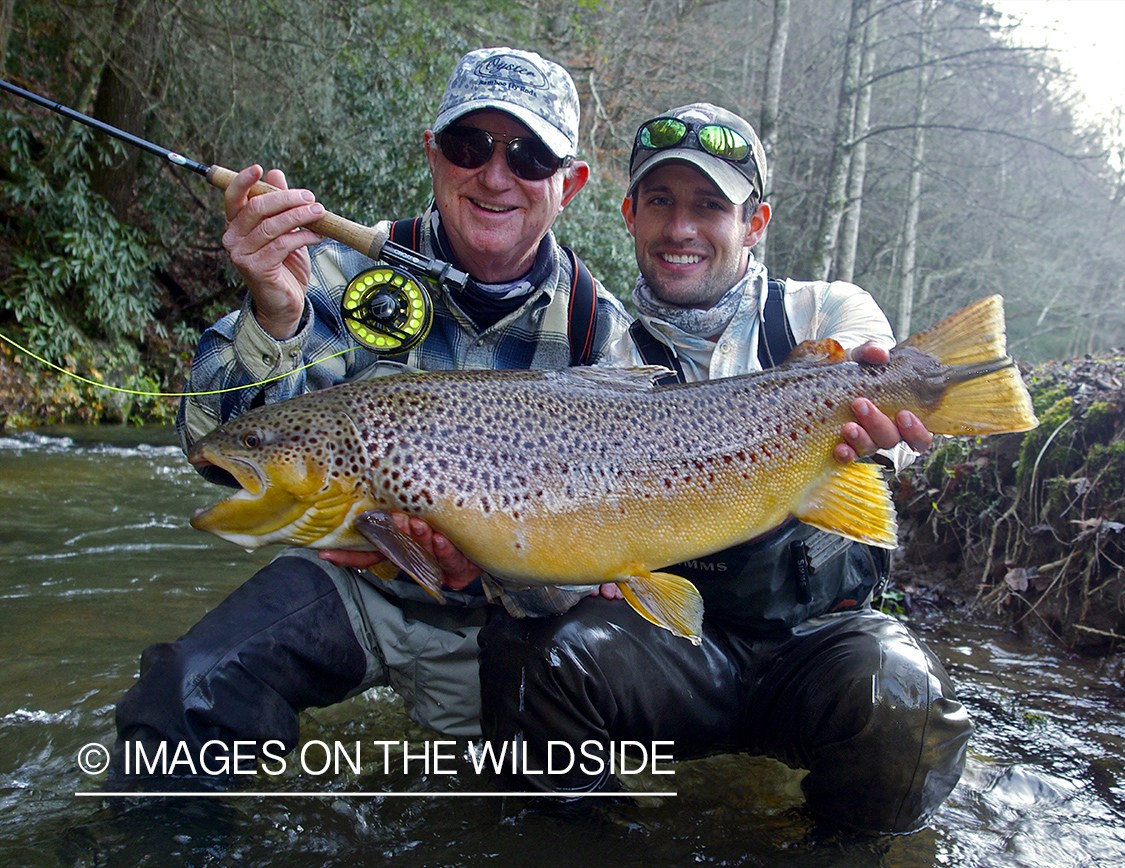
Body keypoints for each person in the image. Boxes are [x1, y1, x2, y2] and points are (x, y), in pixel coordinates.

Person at [108, 47, 634, 783]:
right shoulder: (332, 272)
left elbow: (620, 539)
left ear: (568, 184)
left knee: (569, 798)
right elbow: (210, 452)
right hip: (353, 588)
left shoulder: (597, 331)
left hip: (512, 625)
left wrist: (480, 562)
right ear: (432, 153)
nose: (493, 174)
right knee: (178, 706)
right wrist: (275, 316)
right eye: (468, 144)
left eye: (530, 156)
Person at [476, 103, 973, 834]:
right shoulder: (599, 359)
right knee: (531, 661)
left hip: (816, 646)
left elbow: (890, 419)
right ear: (630, 214)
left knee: (904, 700)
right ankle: (592, 843)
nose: (680, 228)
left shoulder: (824, 312)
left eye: (709, 206)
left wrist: (890, 424)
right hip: (676, 652)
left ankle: (835, 851)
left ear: (756, 222)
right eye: (660, 203)